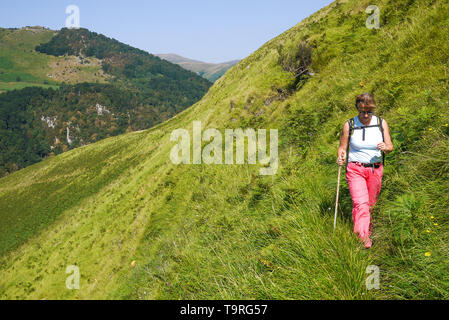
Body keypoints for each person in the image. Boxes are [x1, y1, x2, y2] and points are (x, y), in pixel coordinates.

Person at [337, 93, 394, 248]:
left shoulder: (381, 123)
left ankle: (366, 231)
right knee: (360, 203)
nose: (366, 115)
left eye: (369, 111)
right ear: (357, 109)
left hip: (375, 169)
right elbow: (342, 148)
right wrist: (340, 156)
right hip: (355, 169)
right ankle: (363, 239)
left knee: (370, 204)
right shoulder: (350, 125)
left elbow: (390, 146)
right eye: (362, 111)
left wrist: (386, 147)